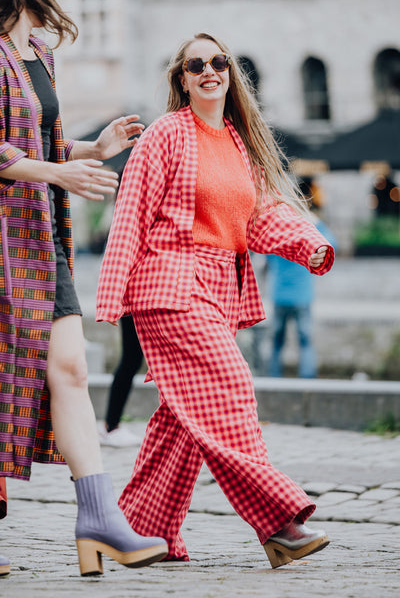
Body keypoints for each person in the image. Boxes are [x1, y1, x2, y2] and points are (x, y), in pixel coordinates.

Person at [96, 33, 335, 569]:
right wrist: (112, 295)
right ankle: (278, 522)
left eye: (218, 61)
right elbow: (130, 213)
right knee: (230, 389)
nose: (209, 70)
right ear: (181, 78)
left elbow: (259, 217)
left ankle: (138, 531)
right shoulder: (164, 135)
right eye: (195, 64)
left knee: (181, 422)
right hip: (168, 283)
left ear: (231, 73)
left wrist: (309, 244)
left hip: (216, 290)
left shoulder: (237, 143)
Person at [0, 0, 168, 577]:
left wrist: (93, 150)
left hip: (42, 239)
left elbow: (42, 147)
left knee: (70, 371)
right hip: (3, 242)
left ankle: (96, 519)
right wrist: (53, 172)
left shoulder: (41, 54)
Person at [267, 178, 337, 378]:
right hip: (302, 296)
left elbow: (267, 258)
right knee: (305, 341)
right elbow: (332, 245)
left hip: (279, 295)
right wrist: (316, 222)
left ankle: (274, 377)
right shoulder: (310, 229)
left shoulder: (278, 230)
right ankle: (308, 378)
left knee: (277, 342)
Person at [99, 314, 144, 447]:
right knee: (132, 359)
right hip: (139, 302)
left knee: (132, 359)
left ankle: (111, 426)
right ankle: (111, 426)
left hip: (143, 301)